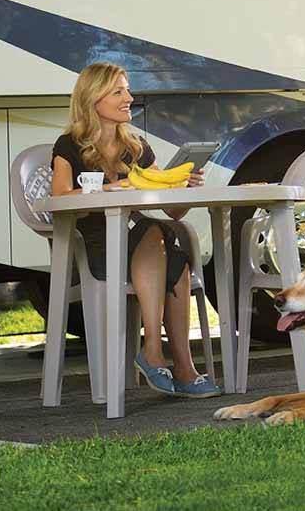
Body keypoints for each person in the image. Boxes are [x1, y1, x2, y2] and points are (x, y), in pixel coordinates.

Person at [51, 62, 220, 398]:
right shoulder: (68, 145)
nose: (128, 97)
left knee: (172, 250)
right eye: (118, 91)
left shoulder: (136, 148)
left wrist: (183, 187)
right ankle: (162, 357)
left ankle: (175, 364)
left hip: (139, 242)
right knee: (158, 236)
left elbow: (172, 209)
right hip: (96, 247)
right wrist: (108, 190)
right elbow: (59, 197)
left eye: (126, 89)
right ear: (93, 98)